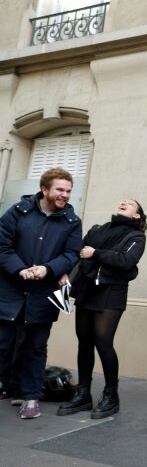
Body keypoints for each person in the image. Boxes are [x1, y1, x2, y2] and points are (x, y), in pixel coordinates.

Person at [0, 167, 82, 419]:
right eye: (60, 189)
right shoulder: (17, 212)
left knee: (36, 347)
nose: (65, 195)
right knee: (3, 344)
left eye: (68, 191)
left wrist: (48, 269)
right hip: (11, 291)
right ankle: (7, 386)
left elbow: (70, 255)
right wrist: (20, 270)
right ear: (44, 189)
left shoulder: (72, 221)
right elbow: (3, 246)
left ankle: (31, 397)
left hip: (43, 295)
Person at [56, 199, 147, 419]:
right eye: (122, 201)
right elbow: (79, 253)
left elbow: (126, 261)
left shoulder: (136, 236)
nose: (123, 203)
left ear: (137, 216)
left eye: (130, 203)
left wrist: (95, 253)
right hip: (86, 288)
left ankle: (111, 395)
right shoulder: (98, 229)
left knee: (104, 342)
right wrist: (67, 273)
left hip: (111, 291)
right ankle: (83, 393)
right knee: (84, 341)